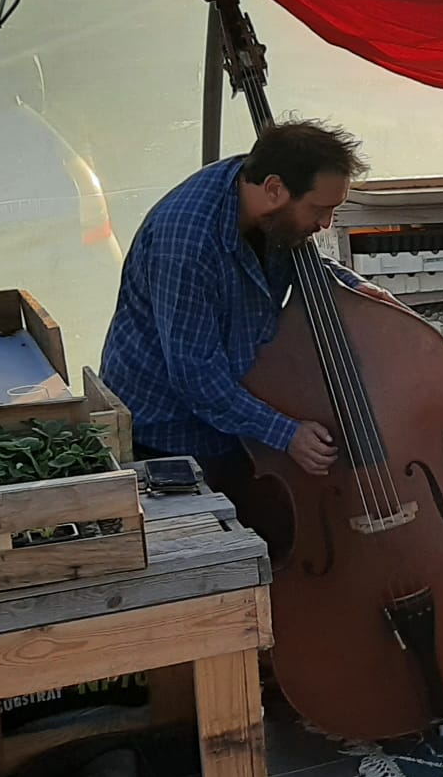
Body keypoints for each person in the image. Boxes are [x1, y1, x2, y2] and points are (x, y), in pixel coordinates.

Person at [101, 118, 386, 511]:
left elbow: (300, 257)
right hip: (172, 436)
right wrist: (286, 434)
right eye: (320, 209)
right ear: (274, 189)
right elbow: (197, 377)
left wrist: (355, 290)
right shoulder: (186, 243)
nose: (326, 224)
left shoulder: (266, 200)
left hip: (236, 420)